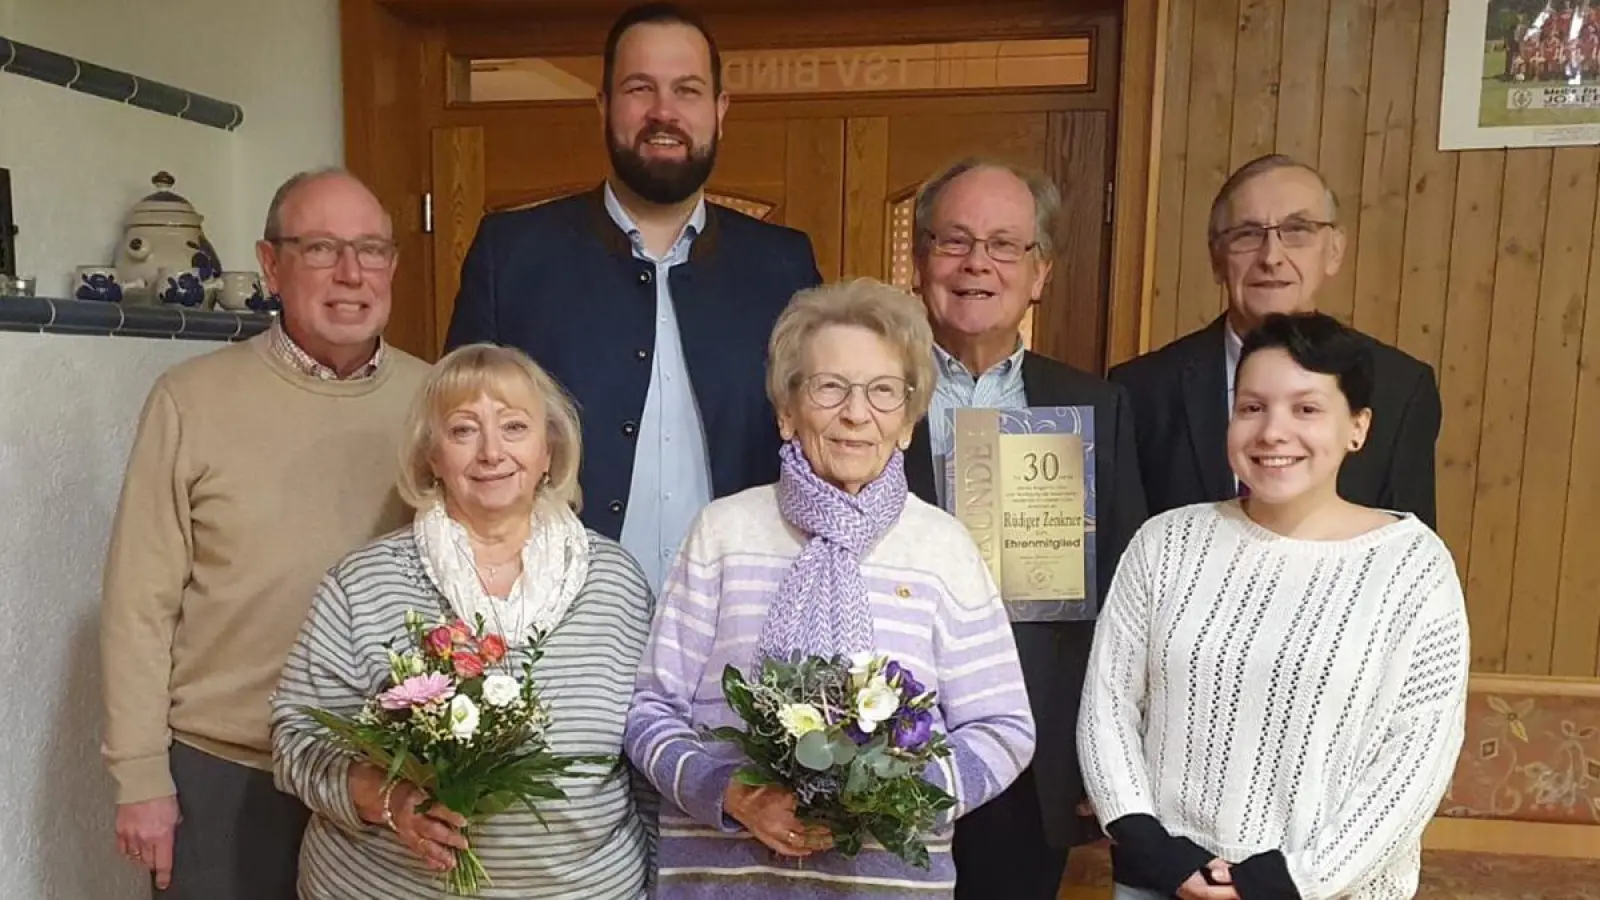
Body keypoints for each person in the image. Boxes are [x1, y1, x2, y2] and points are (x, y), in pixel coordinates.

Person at [625, 279, 1035, 897]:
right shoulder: (723, 532)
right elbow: (649, 711)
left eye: (882, 392)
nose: (854, 413)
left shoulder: (943, 548)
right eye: (830, 387)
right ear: (787, 411)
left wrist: (893, 799)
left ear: (908, 422)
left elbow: (1004, 729)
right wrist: (732, 795)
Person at [100, 168, 431, 898]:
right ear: (272, 264)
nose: (351, 273)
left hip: (383, 775)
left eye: (371, 249)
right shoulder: (190, 400)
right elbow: (137, 605)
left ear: (393, 266)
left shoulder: (435, 403)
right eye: (321, 249)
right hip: (227, 770)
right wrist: (140, 777)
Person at [1078, 312, 1469, 900]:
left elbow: (1416, 758)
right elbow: (1107, 706)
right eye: (1251, 407)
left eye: (1306, 409)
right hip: (1167, 882)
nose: (1272, 432)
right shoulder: (1166, 543)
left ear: (1358, 427)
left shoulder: (1413, 567)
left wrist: (1290, 880)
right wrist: (1152, 847)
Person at [444, 1, 823, 589]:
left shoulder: (783, 265)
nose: (663, 111)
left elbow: (815, 446)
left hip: (745, 614)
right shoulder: (513, 253)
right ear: (603, 106)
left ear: (721, 112)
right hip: (556, 620)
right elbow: (458, 438)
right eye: (639, 88)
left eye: (688, 90)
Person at [270, 343, 654, 898]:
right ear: (432, 456)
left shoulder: (616, 581)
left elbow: (646, 751)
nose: (492, 452)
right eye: (464, 430)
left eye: (515, 427)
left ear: (550, 450)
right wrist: (390, 799)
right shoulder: (365, 582)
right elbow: (296, 738)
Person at [900, 158, 1147, 899]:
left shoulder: (1094, 407)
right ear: (919, 262)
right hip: (880, 742)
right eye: (955, 241)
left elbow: (1126, 601)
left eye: (1006, 245)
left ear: (1039, 273)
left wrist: (1102, 763)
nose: (979, 263)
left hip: (1029, 757)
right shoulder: (866, 394)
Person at [1109, 154, 1441, 527]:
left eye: (1297, 231)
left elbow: (1406, 549)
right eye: (1247, 235)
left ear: (1333, 251)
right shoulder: (1139, 391)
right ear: (1217, 259)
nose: (1271, 257)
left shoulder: (1399, 388)